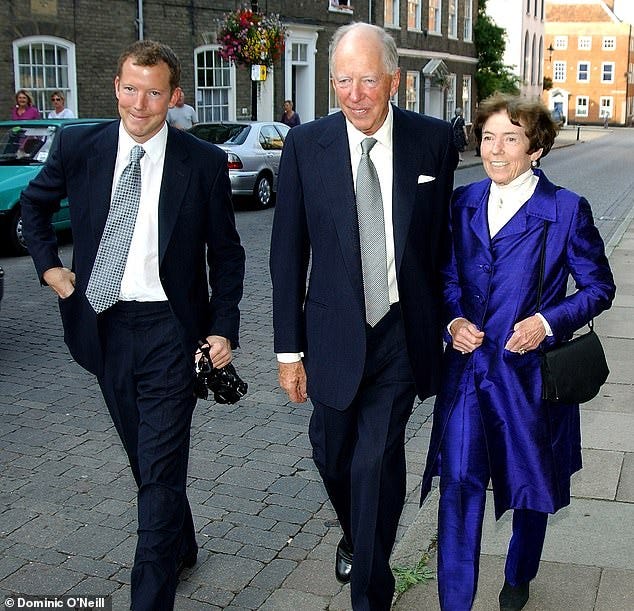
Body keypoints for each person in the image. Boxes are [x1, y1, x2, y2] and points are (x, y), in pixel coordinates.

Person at [20, 40, 245, 611]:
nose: (139, 104)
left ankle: (150, 597)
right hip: (104, 327)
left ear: (174, 97)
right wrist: (50, 268)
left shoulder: (201, 162)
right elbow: (33, 208)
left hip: (172, 330)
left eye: (153, 93)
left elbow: (227, 253)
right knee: (146, 461)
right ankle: (183, 540)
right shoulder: (79, 146)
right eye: (129, 88)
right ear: (115, 87)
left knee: (161, 470)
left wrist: (223, 327)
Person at [270, 22, 457, 611]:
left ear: (394, 81)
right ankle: (357, 534)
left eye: (367, 80)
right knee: (332, 452)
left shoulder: (433, 142)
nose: (354, 94)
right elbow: (286, 253)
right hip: (331, 333)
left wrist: (451, 318)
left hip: (402, 332)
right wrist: (287, 350)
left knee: (375, 460)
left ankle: (370, 593)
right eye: (342, 81)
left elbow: (443, 242)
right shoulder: (307, 146)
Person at [420, 93, 616, 611]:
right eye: (488, 137)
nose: (495, 150)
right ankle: (454, 602)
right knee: (458, 486)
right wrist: (453, 319)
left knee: (532, 490)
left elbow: (599, 288)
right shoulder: (461, 203)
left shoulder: (567, 210)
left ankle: (519, 576)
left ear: (536, 149)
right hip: (466, 376)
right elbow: (444, 277)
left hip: (529, 383)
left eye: (511, 138)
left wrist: (547, 322)